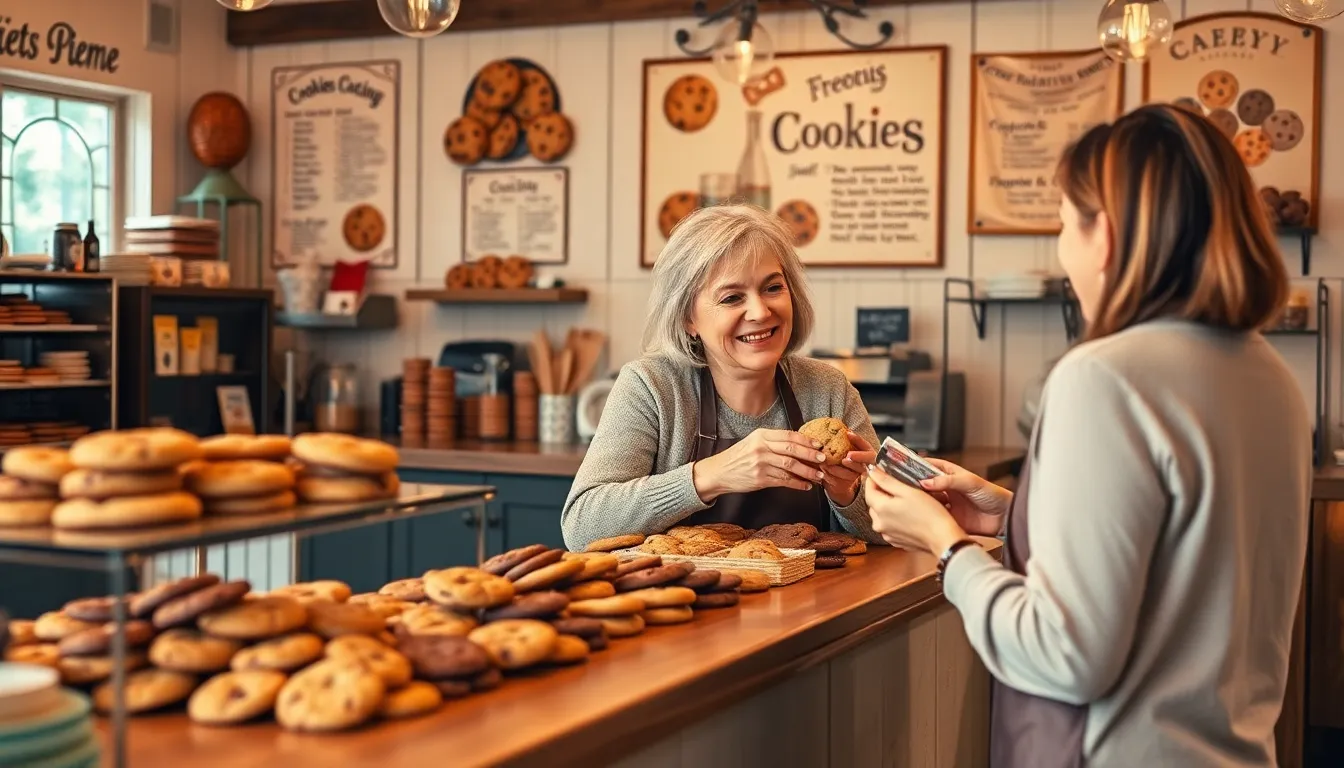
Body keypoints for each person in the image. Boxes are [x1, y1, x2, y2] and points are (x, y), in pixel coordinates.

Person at [863, 103, 1312, 767]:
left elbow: (1065, 655)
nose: (1063, 249)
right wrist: (1009, 512)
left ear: (1105, 236)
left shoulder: (1103, 378)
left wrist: (948, 547)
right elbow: (1185, 556)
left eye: (1065, 222)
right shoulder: (1268, 375)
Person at [561, 204, 882, 550]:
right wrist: (710, 476)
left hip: (811, 600)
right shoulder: (651, 388)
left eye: (773, 288)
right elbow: (582, 525)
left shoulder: (827, 390)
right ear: (688, 318)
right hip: (686, 601)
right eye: (732, 298)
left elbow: (900, 529)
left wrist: (849, 495)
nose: (760, 312)